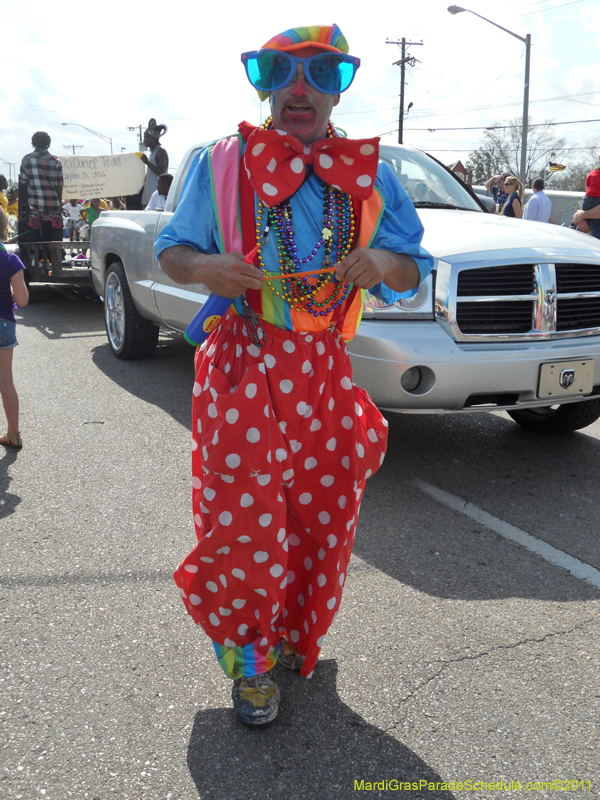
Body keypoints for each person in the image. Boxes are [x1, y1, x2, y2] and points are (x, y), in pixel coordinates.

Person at [156, 23, 434, 727]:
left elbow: (410, 265)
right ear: (262, 84)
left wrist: (383, 265)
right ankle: (249, 662)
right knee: (242, 522)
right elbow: (172, 250)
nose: (298, 89)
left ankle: (294, 630)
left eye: (321, 75)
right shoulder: (222, 162)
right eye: (280, 71)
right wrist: (204, 267)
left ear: (340, 89)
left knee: (322, 516)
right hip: (243, 359)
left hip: (322, 370)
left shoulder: (372, 176)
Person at [0, 208, 29, 449]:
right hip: (4, 324)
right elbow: (23, 299)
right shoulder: (10, 260)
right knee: (6, 381)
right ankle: (14, 433)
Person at [19, 131, 64, 242]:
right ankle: (54, 259)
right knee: (54, 243)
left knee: (35, 242)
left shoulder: (26, 160)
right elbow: (59, 185)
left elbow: (23, 180)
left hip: (35, 208)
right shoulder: (56, 161)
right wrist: (59, 201)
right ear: (48, 144)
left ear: (33, 143)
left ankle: (37, 259)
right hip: (53, 208)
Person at [141, 119, 169, 207]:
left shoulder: (161, 151)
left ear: (152, 138)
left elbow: (162, 173)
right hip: (149, 195)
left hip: (157, 197)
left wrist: (147, 163)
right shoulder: (152, 153)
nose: (144, 140)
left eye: (146, 138)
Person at [580, 156, 600, 239]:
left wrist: (582, 215)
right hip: (597, 199)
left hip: (588, 199)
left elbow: (587, 185)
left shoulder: (592, 173)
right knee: (596, 226)